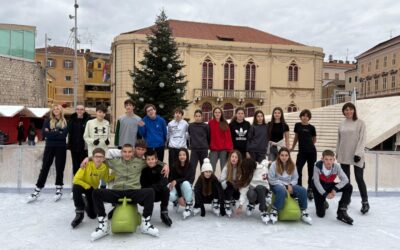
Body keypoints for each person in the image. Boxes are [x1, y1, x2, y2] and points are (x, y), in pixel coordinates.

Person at [90, 141, 168, 241]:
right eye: (125, 152)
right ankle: (103, 226)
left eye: (129, 152)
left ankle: (146, 224)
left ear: (133, 152)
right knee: (96, 192)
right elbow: (100, 159)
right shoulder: (115, 161)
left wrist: (165, 164)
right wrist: (87, 159)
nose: (127, 154)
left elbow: (152, 161)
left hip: (133, 192)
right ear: (121, 152)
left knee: (150, 191)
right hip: (117, 193)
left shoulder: (140, 162)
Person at [27, 105, 68, 202]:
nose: (55, 110)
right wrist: (57, 132)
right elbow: (44, 134)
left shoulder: (65, 122)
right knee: (45, 167)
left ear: (61, 111)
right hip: (49, 146)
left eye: (57, 109)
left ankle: (58, 189)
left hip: (61, 147)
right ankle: (37, 189)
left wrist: (51, 132)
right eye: (54, 109)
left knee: (59, 168)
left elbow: (63, 136)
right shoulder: (47, 121)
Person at [336, 102, 369, 214]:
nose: (348, 111)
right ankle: (346, 199)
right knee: (346, 180)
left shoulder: (360, 123)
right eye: (346, 110)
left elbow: (362, 139)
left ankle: (365, 202)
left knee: (359, 178)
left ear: (354, 110)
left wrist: (358, 154)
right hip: (344, 153)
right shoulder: (341, 124)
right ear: (343, 112)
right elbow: (339, 140)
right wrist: (337, 153)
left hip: (356, 155)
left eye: (350, 109)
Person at [71, 148, 113, 228]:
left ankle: (84, 201)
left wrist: (115, 174)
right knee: (75, 188)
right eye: (96, 157)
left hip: (92, 189)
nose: (98, 159)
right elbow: (75, 179)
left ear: (104, 158)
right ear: (92, 158)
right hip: (82, 185)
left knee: (93, 215)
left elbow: (106, 179)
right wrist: (87, 186)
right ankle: (79, 212)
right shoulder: (86, 164)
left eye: (101, 157)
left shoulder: (104, 167)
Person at [268, 147, 312, 225]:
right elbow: (271, 179)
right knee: (281, 190)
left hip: (289, 184)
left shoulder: (292, 165)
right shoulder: (274, 165)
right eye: (282, 155)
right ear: (279, 155)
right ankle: (275, 209)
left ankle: (303, 210)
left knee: (302, 190)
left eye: (286, 155)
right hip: (276, 184)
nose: (284, 157)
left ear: (289, 156)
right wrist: (284, 186)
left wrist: (290, 184)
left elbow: (295, 178)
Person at [312, 150, 354, 225]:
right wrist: (325, 194)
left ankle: (342, 211)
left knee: (348, 187)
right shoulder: (317, 166)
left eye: (331, 159)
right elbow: (316, 183)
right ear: (322, 159)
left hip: (329, 185)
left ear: (334, 160)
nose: (328, 162)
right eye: (326, 159)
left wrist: (335, 189)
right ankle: (323, 202)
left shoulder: (336, 167)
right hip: (318, 188)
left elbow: (345, 179)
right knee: (320, 215)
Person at [140, 150, 172, 227]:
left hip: (158, 193)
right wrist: (150, 190)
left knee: (166, 190)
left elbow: (164, 181)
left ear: (156, 160)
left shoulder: (161, 168)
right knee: (146, 191)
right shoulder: (144, 171)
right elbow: (143, 184)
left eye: (152, 159)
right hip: (148, 195)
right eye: (148, 159)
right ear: (146, 160)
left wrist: (154, 188)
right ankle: (148, 213)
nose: (151, 161)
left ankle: (164, 212)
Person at [290, 109, 317, 201]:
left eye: (307, 116)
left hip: (312, 152)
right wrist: (293, 147)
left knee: (311, 171)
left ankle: (310, 189)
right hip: (301, 152)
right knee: (298, 169)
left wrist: (309, 146)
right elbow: (296, 137)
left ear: (309, 118)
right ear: (301, 117)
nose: (305, 117)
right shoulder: (297, 125)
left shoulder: (312, 128)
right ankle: (299, 187)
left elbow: (314, 140)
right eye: (303, 115)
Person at [235, 158, 270, 223]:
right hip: (254, 192)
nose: (244, 171)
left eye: (245, 169)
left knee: (259, 187)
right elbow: (244, 191)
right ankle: (252, 204)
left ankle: (263, 211)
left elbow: (264, 162)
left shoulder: (262, 168)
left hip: (264, 190)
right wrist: (240, 205)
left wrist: (269, 162)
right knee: (250, 193)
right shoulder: (248, 175)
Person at [169, 148, 194, 219]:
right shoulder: (174, 166)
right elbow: (172, 180)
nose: (182, 156)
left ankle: (188, 203)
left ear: (187, 156)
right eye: (180, 155)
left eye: (184, 155)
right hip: (177, 186)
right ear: (178, 156)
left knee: (186, 183)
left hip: (186, 186)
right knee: (170, 195)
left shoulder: (190, 165)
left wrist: (177, 181)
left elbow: (188, 178)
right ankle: (176, 201)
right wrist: (180, 197)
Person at [68, 105, 91, 176]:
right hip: (74, 146)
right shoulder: (71, 120)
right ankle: (76, 179)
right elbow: (69, 133)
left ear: (84, 111)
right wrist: (69, 144)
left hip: (84, 147)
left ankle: (84, 179)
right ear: (76, 110)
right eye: (78, 109)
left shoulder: (88, 120)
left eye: (81, 109)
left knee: (84, 164)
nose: (79, 111)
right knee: (75, 164)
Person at [208, 107, 233, 172]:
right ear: (213, 113)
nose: (217, 114)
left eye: (219, 112)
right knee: (211, 167)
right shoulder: (210, 123)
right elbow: (208, 136)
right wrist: (209, 146)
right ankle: (211, 181)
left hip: (223, 149)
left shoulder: (225, 123)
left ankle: (223, 181)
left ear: (221, 113)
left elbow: (228, 137)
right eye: (216, 112)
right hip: (214, 149)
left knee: (224, 168)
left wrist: (229, 149)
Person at [188, 109, 209, 180]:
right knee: (192, 167)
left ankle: (204, 184)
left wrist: (206, 146)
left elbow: (208, 137)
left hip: (204, 150)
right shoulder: (191, 126)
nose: (198, 117)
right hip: (194, 150)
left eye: (199, 116)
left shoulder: (205, 126)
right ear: (194, 116)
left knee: (204, 168)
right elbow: (190, 135)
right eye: (196, 116)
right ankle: (190, 184)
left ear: (202, 117)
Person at [219, 150, 242, 216]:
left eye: (236, 157)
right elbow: (221, 180)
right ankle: (227, 203)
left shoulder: (240, 169)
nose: (234, 158)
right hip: (226, 188)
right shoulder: (226, 167)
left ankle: (232, 198)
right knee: (229, 183)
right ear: (230, 158)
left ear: (238, 159)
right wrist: (228, 182)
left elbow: (241, 181)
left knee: (237, 188)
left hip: (236, 188)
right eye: (232, 156)